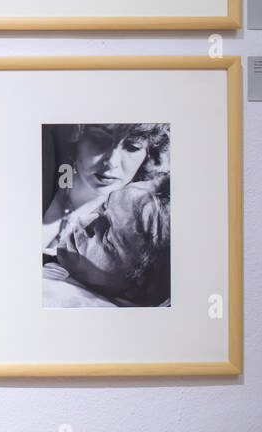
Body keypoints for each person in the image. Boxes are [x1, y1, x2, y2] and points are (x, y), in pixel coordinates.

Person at [42, 124, 170, 306]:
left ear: (149, 153)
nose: (112, 162)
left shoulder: (150, 216)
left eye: (132, 147)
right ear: (76, 136)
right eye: (100, 139)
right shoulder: (42, 174)